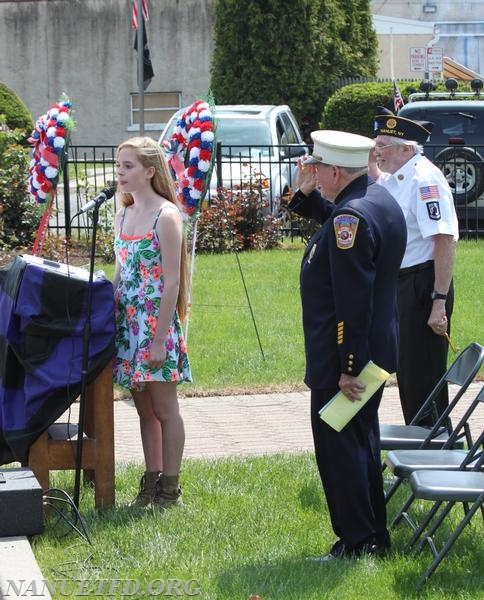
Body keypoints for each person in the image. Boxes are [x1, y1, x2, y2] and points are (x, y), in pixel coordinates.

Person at [289, 130, 407, 560]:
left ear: (336, 171)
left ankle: (356, 542)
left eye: (318, 169)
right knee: (360, 444)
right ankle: (373, 535)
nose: (314, 175)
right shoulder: (374, 200)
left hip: (347, 361)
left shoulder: (350, 219)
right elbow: (335, 215)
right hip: (371, 352)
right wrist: (303, 194)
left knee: (340, 452)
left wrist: (348, 367)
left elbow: (352, 304)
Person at [112, 136, 192, 508]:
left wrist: (159, 339)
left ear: (149, 171)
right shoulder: (123, 213)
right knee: (143, 409)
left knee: (164, 409)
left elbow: (172, 281)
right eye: (118, 165)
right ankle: (151, 481)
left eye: (128, 166)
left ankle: (171, 489)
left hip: (153, 325)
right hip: (128, 326)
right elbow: (120, 270)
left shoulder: (167, 216)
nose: (121, 173)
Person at [372, 111, 459, 426]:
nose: (376, 151)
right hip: (401, 283)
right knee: (407, 372)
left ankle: (435, 454)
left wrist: (439, 300)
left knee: (421, 376)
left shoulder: (424, 180)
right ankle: (424, 449)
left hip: (422, 285)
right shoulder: (399, 177)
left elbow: (445, 240)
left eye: (382, 145)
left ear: (406, 149)